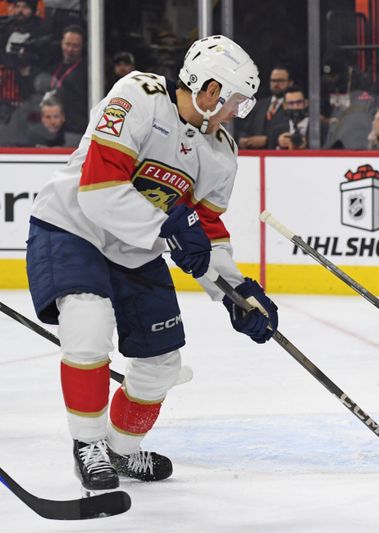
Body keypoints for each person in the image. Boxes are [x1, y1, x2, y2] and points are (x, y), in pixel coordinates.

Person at [25, 35, 279, 493]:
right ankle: (88, 445)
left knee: (161, 362)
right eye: (233, 102)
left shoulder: (221, 153)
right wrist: (169, 226)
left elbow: (206, 235)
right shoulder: (137, 96)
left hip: (135, 250)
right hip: (73, 228)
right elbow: (100, 190)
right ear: (208, 89)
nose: (235, 114)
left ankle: (121, 449)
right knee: (88, 320)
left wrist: (236, 292)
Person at [47, 25, 87, 139]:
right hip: (50, 129)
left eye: (75, 46)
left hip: (75, 130)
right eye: (67, 44)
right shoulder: (53, 68)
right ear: (61, 43)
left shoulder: (88, 71)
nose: (70, 49)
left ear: (82, 47)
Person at [237, 65, 291, 149]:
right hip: (255, 155)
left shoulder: (293, 105)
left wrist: (268, 141)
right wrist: (243, 139)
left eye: (280, 81)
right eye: (273, 80)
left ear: (290, 83)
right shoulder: (260, 104)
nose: (276, 84)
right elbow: (247, 128)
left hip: (280, 155)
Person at [276, 84, 308, 150]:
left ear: (306, 103)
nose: (295, 107)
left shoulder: (319, 128)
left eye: (299, 102)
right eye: (291, 103)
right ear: (284, 106)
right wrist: (279, 146)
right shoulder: (277, 131)